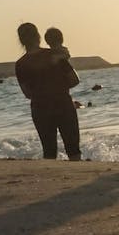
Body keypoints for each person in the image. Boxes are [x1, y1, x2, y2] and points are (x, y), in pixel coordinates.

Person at [14, 21, 81, 159]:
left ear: (21, 40)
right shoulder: (55, 54)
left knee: (49, 150)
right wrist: (58, 87)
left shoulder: (20, 64)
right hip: (63, 104)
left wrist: (43, 91)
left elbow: (27, 93)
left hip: (40, 109)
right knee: (73, 148)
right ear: (38, 36)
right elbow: (74, 79)